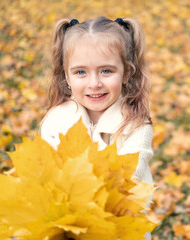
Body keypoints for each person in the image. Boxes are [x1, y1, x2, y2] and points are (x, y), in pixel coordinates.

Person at [40, 16, 154, 240]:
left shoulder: (136, 124)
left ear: (127, 73)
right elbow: (49, 177)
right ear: (66, 75)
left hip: (120, 227)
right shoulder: (55, 120)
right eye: (80, 72)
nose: (94, 83)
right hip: (70, 227)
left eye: (106, 71)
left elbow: (126, 178)